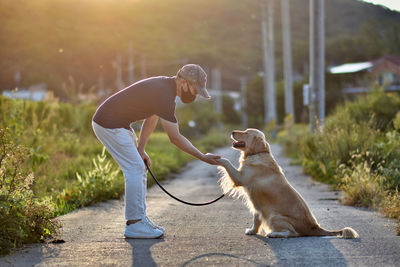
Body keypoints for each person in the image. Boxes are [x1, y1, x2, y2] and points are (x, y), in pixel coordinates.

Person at [92, 64, 221, 239]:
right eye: (194, 89)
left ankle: (140, 219)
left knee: (139, 167)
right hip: (108, 123)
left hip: (118, 124)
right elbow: (175, 138)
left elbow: (151, 118)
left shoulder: (165, 88)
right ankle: (134, 224)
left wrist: (141, 148)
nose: (195, 94)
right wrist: (202, 157)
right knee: (134, 169)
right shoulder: (164, 95)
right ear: (182, 81)